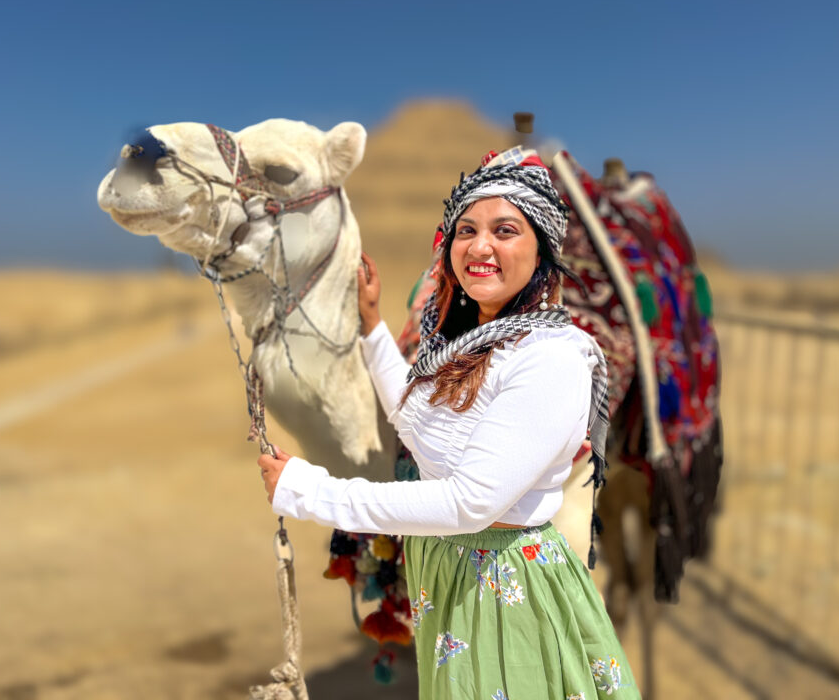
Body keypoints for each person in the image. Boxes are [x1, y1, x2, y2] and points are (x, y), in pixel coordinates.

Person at [258, 151, 639, 699]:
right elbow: (420, 423)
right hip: (455, 578)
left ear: (542, 252)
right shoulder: (472, 346)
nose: (480, 247)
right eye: (467, 230)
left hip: (508, 589)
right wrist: (372, 329)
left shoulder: (550, 357)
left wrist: (311, 493)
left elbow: (469, 503)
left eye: (505, 230)